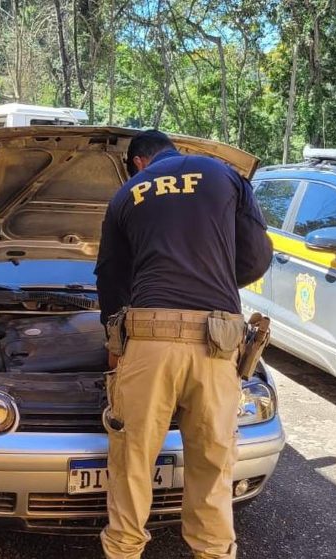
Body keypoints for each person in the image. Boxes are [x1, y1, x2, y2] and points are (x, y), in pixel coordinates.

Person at [94, 129, 272, 559]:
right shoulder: (224, 175)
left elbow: (111, 279)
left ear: (138, 162)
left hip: (150, 342)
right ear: (174, 151)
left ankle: (124, 550)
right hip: (218, 340)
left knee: (133, 459)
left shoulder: (126, 194)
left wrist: (115, 344)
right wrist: (211, 275)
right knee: (213, 462)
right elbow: (255, 254)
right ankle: (213, 552)